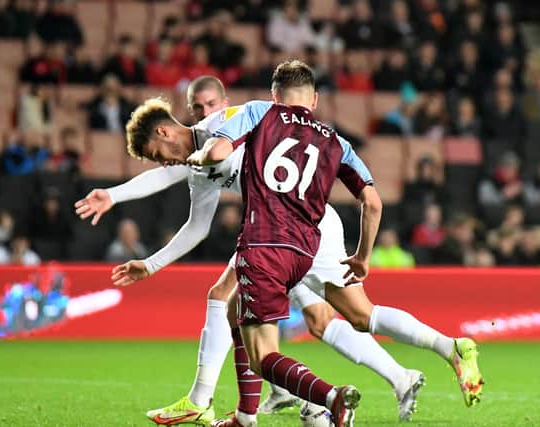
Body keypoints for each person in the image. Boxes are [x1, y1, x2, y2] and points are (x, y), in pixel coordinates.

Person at [76, 75, 427, 423]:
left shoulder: (229, 125)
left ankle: (319, 398)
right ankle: (257, 407)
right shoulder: (200, 167)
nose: (165, 162)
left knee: (326, 319)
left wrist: (114, 195)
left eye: (159, 154)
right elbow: (195, 224)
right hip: (285, 230)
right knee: (252, 309)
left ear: (164, 132)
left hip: (292, 228)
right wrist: (149, 262)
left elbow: (198, 160)